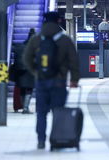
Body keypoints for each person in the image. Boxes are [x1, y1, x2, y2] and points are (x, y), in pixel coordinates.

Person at [23, 12, 80, 149]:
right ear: (59, 21)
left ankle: (41, 141)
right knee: (58, 112)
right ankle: (56, 141)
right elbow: (74, 61)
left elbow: (26, 58)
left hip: (41, 81)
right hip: (59, 82)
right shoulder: (65, 40)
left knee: (41, 113)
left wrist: (36, 72)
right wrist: (74, 80)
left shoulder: (36, 39)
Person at [12, 28, 36, 114]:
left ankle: (23, 107)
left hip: (20, 71)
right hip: (30, 71)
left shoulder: (20, 46)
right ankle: (26, 108)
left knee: (22, 89)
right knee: (29, 89)